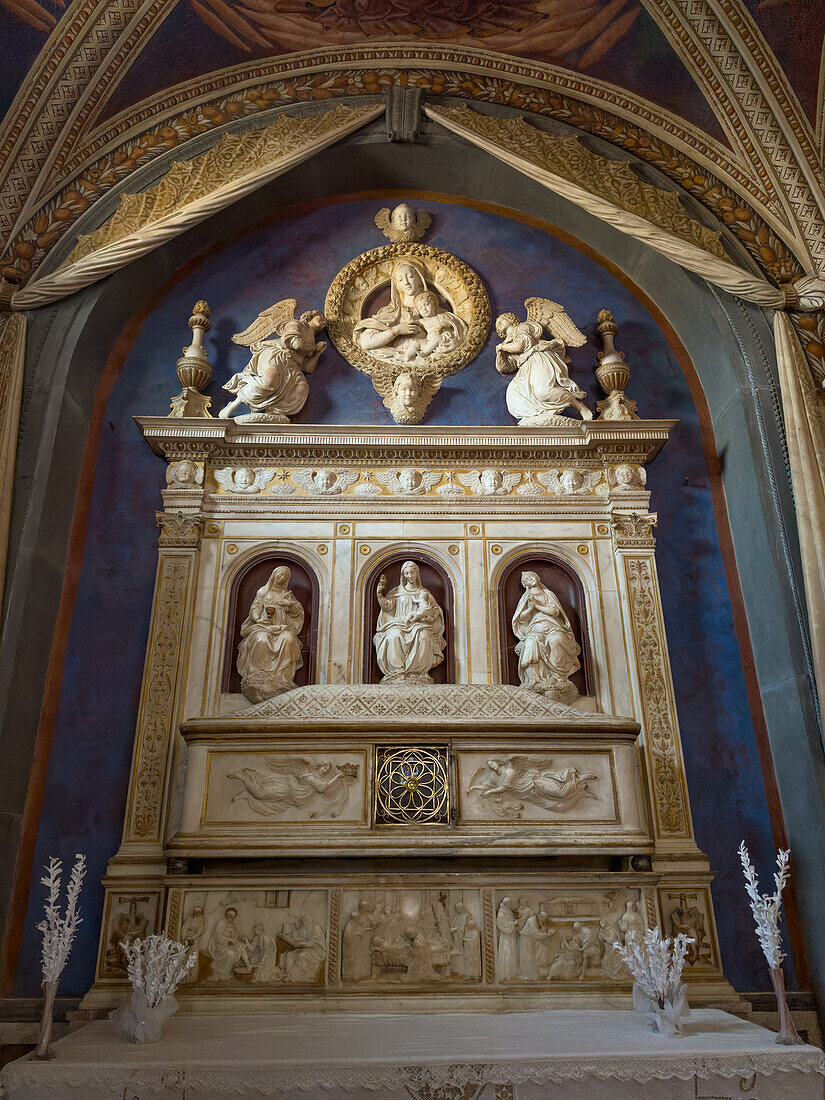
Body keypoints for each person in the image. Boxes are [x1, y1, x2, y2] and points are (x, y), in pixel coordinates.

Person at [219, 310, 326, 421]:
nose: (323, 321)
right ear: (310, 316)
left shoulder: (312, 340)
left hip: (292, 363)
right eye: (321, 317)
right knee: (269, 381)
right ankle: (232, 406)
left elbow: (307, 368)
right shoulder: (296, 324)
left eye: (325, 322)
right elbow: (296, 344)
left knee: (301, 387)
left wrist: (318, 353)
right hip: (276, 354)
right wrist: (314, 348)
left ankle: (272, 412)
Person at [354, 261, 464, 363]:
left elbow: (457, 335)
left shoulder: (437, 312)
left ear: (419, 279)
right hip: (399, 358)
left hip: (426, 356)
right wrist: (397, 330)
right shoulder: (391, 313)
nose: (406, 282)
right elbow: (365, 342)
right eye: (401, 280)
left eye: (410, 277)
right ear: (397, 285)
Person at [495, 313, 592, 424]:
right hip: (525, 367)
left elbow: (520, 345)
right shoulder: (506, 342)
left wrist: (502, 347)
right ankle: (538, 415)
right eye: (497, 323)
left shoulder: (523, 327)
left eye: (502, 319)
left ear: (510, 319)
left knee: (543, 392)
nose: (499, 323)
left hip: (538, 357)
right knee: (514, 397)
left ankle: (578, 405)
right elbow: (506, 367)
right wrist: (500, 354)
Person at [236, 566, 304, 703]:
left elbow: (297, 613)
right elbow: (255, 607)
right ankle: (258, 674)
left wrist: (290, 605)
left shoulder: (288, 595)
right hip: (264, 626)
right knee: (261, 639)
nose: (282, 577)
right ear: (274, 575)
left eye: (285, 575)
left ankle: (280, 676)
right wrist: (257, 619)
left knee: (289, 639)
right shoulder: (264, 591)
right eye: (280, 574)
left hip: (281, 628)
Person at [374, 561, 446, 682]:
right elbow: (386, 606)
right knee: (393, 635)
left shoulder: (423, 593)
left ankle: (416, 672)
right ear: (403, 575)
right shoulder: (397, 591)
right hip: (398, 623)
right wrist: (379, 593)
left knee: (424, 636)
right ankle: (397, 672)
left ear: (417, 574)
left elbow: (433, 610)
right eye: (406, 573)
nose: (409, 575)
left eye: (412, 572)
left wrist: (423, 615)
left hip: (418, 624)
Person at [511, 571, 580, 696]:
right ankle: (534, 680)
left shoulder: (548, 594)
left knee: (556, 640)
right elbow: (521, 617)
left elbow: (554, 611)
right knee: (531, 642)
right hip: (536, 629)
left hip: (554, 627)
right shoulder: (526, 597)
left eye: (531, 576)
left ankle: (558, 676)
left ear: (537, 577)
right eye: (526, 579)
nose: (530, 579)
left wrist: (537, 606)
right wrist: (530, 608)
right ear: (525, 584)